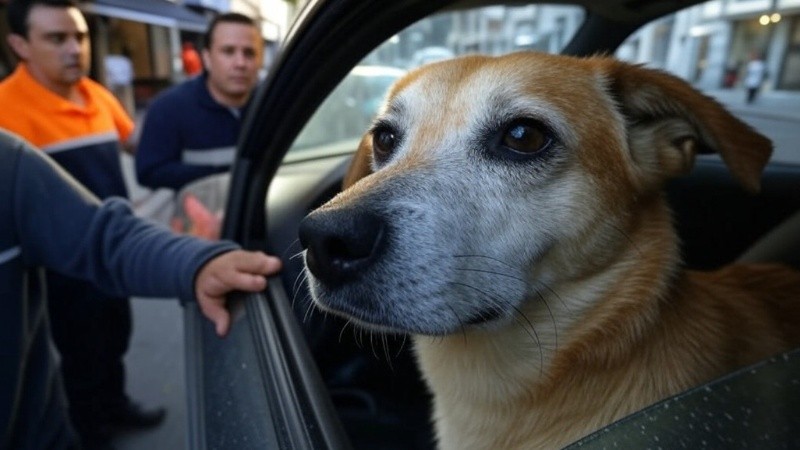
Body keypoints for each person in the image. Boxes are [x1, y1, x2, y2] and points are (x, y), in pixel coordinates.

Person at [0, 129, 282, 450]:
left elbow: (105, 237)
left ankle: (113, 408)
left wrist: (197, 264)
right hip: (63, 282)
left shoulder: (8, 160)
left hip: (35, 436)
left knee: (111, 342)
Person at [1, 0, 149, 447]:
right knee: (77, 352)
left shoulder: (97, 94)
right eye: (57, 38)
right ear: (19, 45)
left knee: (115, 335)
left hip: (113, 251)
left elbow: (135, 143)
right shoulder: (5, 111)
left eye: (80, 37)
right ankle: (90, 429)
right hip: (56, 269)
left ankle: (116, 404)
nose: (73, 49)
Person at [135, 12, 264, 192]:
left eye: (249, 53)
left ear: (261, 59)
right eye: (228, 51)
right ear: (207, 58)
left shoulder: (272, 105)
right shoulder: (168, 108)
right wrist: (224, 174)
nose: (240, 63)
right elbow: (148, 171)